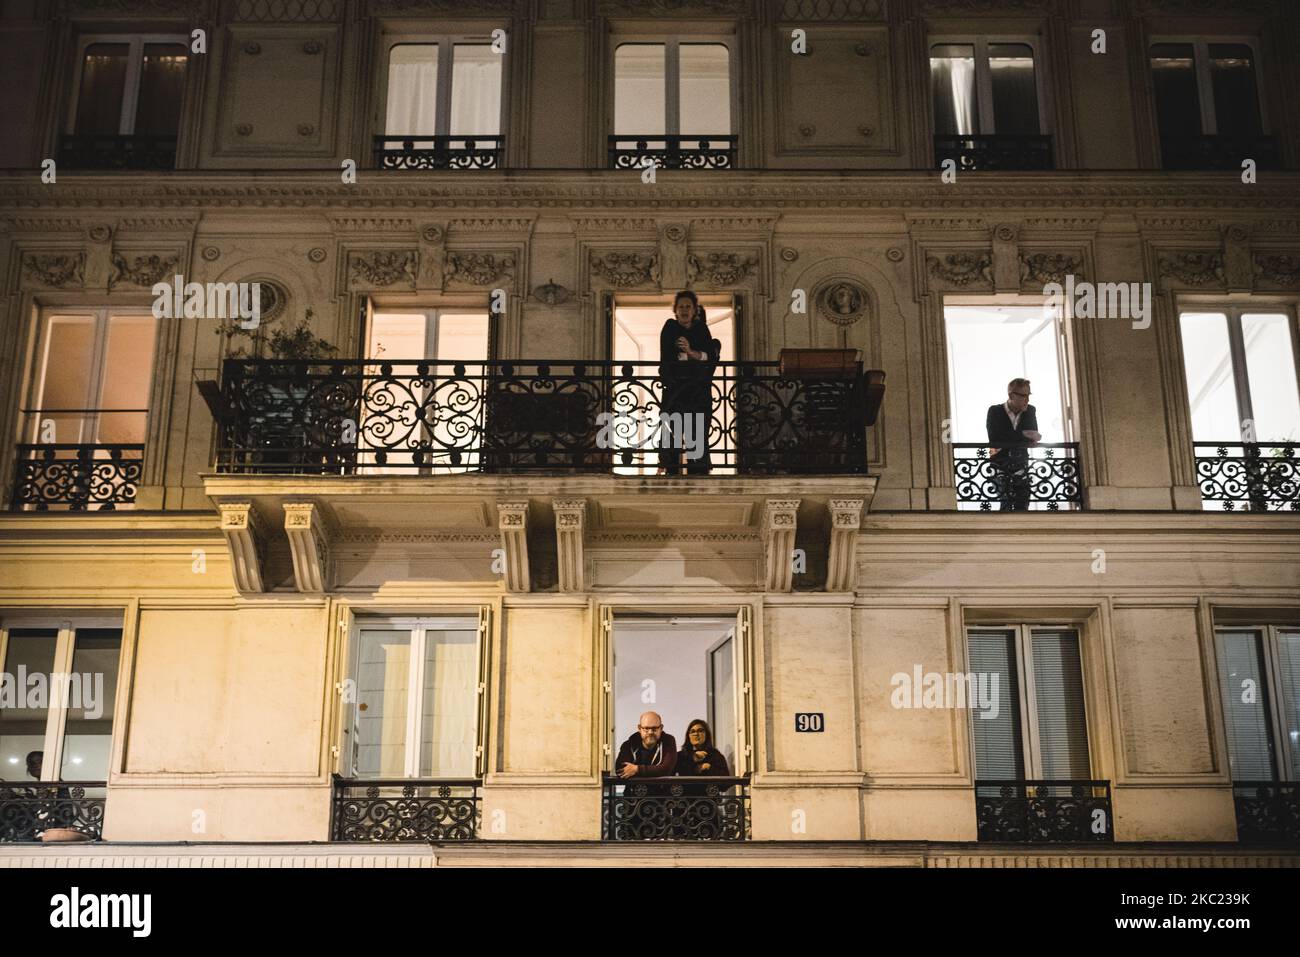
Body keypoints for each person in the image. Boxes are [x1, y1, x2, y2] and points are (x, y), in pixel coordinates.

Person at [658, 291, 720, 475]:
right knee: (672, 430)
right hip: (674, 390)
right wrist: (695, 357)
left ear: (694, 310)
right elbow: (667, 358)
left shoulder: (701, 329)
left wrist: (690, 352)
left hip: (698, 392)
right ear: (675, 310)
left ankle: (698, 473)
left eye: (688, 306)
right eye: (681, 307)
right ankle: (669, 470)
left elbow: (709, 357)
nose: (684, 310)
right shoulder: (670, 327)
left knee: (697, 433)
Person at [611, 712, 678, 839]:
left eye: (654, 728)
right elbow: (620, 769)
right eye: (646, 728)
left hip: (660, 804)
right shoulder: (629, 744)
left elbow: (666, 769)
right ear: (639, 728)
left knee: (660, 848)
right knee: (631, 844)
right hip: (632, 805)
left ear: (661, 728)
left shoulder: (668, 741)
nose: (650, 732)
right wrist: (653, 770)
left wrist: (637, 769)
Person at [985, 378, 1042, 511]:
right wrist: (1023, 435)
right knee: (1005, 505)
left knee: (1022, 506)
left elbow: (1031, 437)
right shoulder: (995, 411)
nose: (1027, 400)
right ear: (1011, 395)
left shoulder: (1030, 410)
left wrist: (1015, 437)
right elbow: (995, 438)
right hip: (999, 466)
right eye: (1023, 396)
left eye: (1029, 395)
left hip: (1021, 467)